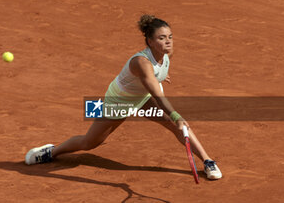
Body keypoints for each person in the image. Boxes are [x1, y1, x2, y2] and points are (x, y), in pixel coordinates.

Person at [25, 14, 222, 180]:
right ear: (150, 42)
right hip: (119, 102)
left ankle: (207, 161)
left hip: (142, 99)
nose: (168, 41)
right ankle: (51, 152)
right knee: (90, 143)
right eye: (161, 38)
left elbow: (157, 73)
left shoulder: (167, 53)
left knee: (178, 127)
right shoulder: (141, 63)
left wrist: (161, 75)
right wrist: (176, 115)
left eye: (170, 36)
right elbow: (156, 92)